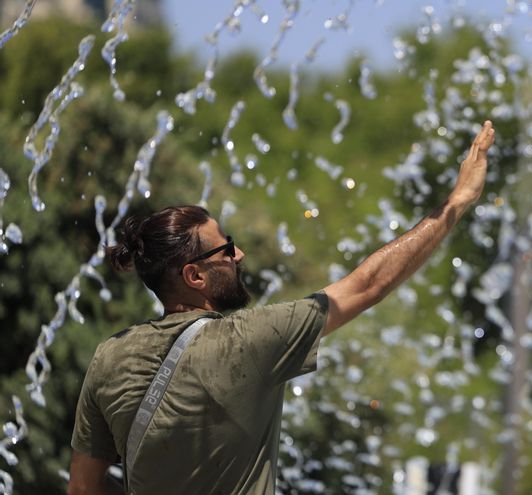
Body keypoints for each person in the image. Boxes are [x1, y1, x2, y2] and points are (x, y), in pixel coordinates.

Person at [66, 121, 494, 494]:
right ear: (194, 277)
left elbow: (83, 488)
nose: (240, 256)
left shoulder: (110, 356)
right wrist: (456, 202)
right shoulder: (250, 341)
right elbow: (369, 284)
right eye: (226, 249)